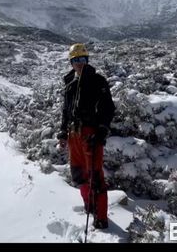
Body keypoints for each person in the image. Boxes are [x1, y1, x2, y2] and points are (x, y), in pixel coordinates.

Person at [57, 43, 115, 229]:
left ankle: (101, 218)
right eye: (75, 60)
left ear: (87, 60)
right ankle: (89, 206)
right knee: (79, 173)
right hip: (74, 134)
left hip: (91, 135)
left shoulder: (98, 81)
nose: (79, 63)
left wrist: (102, 130)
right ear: (71, 62)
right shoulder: (69, 84)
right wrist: (62, 133)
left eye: (82, 59)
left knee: (95, 177)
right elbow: (66, 111)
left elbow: (108, 108)